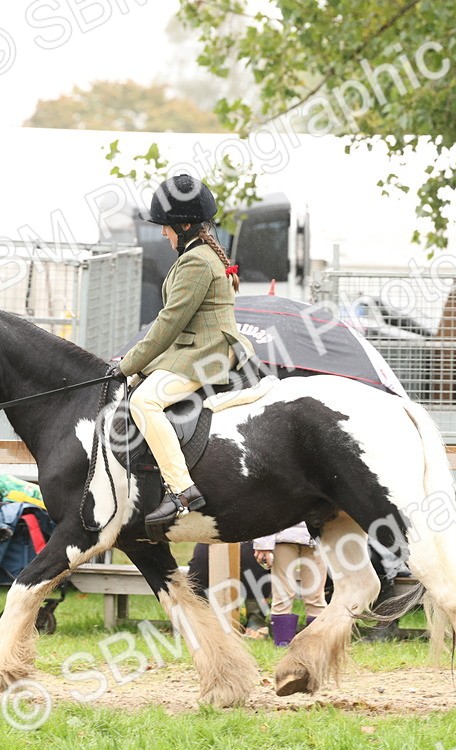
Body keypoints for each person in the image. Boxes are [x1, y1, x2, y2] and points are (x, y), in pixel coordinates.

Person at [117, 174, 254, 533]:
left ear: (185, 225)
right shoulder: (201, 253)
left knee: (143, 402)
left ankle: (181, 490)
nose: (163, 233)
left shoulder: (196, 262)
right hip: (196, 346)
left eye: (166, 227)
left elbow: (169, 323)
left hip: (207, 354)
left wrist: (128, 364)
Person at [253, 523, 327, 646]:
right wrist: (263, 543)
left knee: (316, 598)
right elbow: (266, 506)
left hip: (316, 535)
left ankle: (319, 648)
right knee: (282, 597)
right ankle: (282, 647)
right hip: (283, 534)